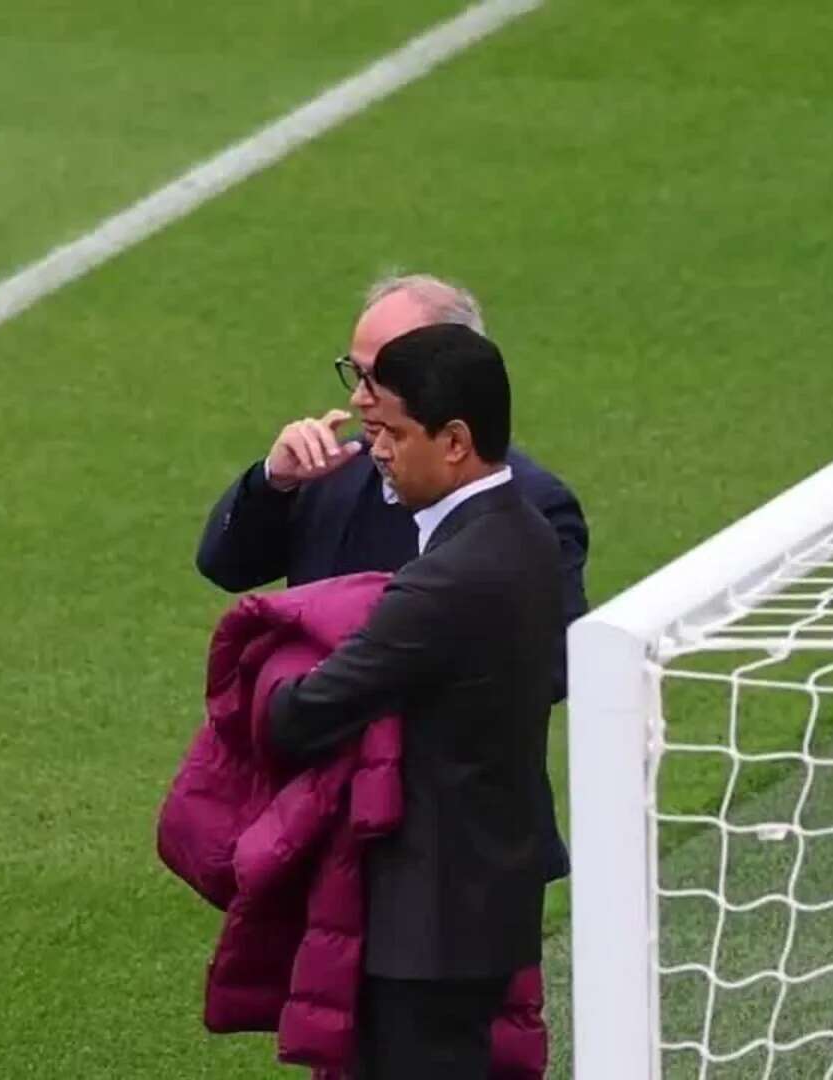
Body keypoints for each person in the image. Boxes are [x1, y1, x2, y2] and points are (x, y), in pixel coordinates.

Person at [196, 273, 585, 879]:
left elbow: (554, 665)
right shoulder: (332, 472)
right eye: (357, 373)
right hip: (315, 816)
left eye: (381, 376)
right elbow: (224, 565)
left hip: (448, 845)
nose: (360, 399)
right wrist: (272, 481)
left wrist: (374, 678)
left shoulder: (529, 506)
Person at [266, 323, 561, 1079]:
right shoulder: (527, 532)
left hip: (427, 927)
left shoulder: (448, 579)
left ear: (455, 440)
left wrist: (272, 664)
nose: (378, 452)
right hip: (483, 904)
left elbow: (299, 715)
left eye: (393, 433)